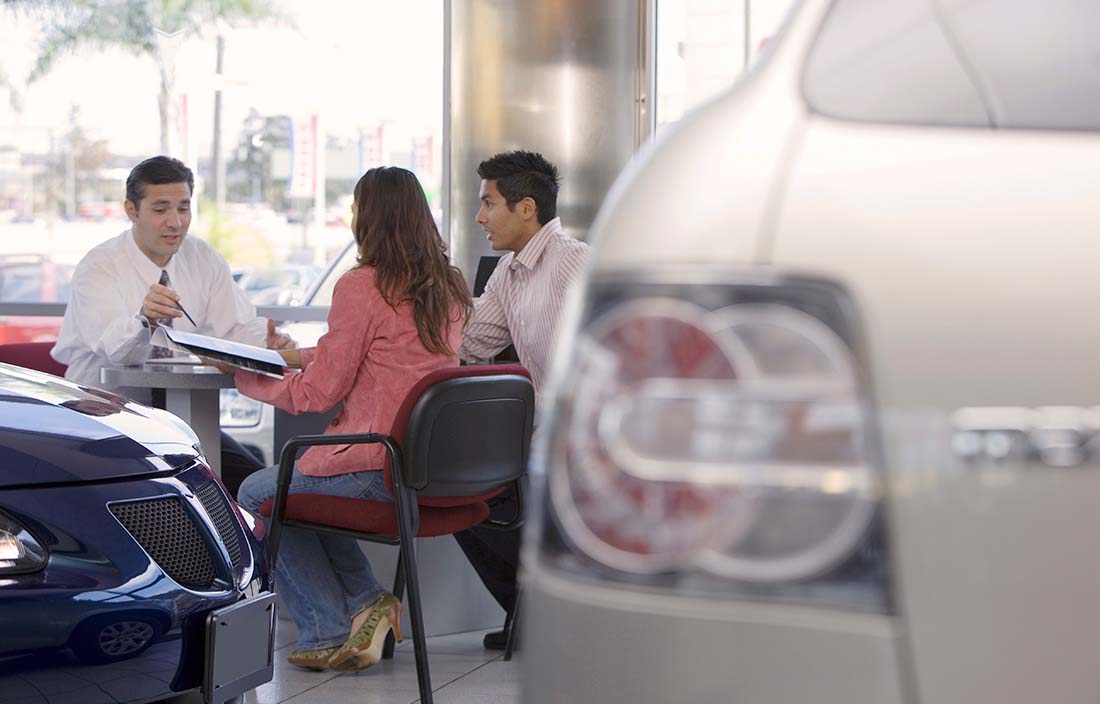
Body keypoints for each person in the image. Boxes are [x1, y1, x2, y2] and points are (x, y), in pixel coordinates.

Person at [233, 166, 472, 672]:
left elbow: (321, 393)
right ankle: (368, 598)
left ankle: (326, 626)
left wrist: (246, 376)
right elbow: (381, 356)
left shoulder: (364, 285)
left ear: (369, 218)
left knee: (259, 492)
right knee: (302, 490)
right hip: (425, 468)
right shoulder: (448, 287)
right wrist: (294, 357)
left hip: (374, 465)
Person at [51, 155, 293, 496]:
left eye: (184, 208)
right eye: (160, 209)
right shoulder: (100, 265)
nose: (175, 222)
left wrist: (268, 342)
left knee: (271, 492)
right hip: (106, 420)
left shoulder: (202, 257)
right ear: (131, 210)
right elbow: (114, 350)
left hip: (184, 422)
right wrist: (144, 320)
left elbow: (235, 328)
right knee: (185, 493)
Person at [456, 150, 591, 648]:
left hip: (578, 438)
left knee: (479, 491)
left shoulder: (574, 264)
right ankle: (532, 615)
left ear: (526, 208)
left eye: (488, 203)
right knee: (448, 491)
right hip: (536, 437)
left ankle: (561, 612)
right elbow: (471, 343)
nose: (480, 216)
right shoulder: (509, 272)